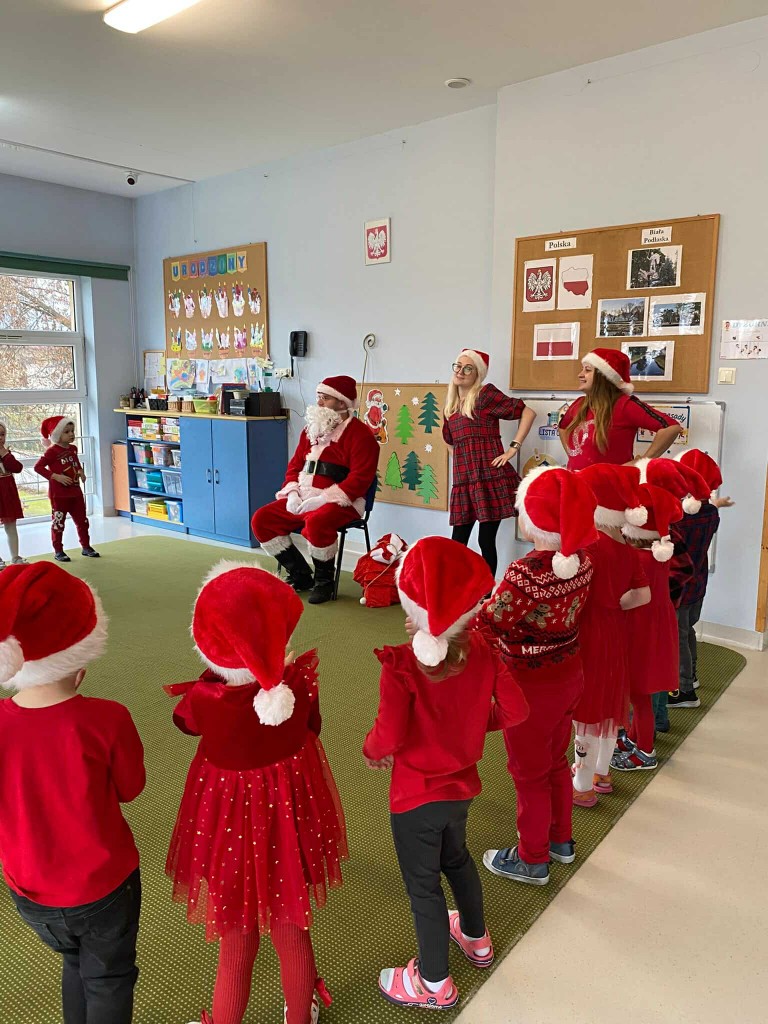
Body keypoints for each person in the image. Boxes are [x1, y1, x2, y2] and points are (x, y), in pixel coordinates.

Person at [165, 563, 347, 1024]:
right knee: (293, 932)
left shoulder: (206, 698)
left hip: (229, 831)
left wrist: (212, 681)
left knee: (236, 944)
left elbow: (184, 723)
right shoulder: (298, 682)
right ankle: (299, 1016)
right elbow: (313, 726)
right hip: (290, 820)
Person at [364, 537, 528, 1010]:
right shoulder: (484, 650)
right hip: (461, 790)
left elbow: (388, 735)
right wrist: (476, 724)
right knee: (456, 860)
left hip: (414, 797)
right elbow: (515, 711)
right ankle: (476, 938)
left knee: (423, 887)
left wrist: (372, 751)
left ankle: (434, 982)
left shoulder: (401, 665)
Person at [0, 562, 145, 1024]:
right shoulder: (108, 719)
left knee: (73, 962)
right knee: (108, 980)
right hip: (104, 887)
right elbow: (131, 789)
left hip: (29, 891)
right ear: (80, 668)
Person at [479, 467, 597, 884]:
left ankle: (532, 859)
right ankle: (560, 841)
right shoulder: (583, 562)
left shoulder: (525, 572)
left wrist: (449, 623)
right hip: (568, 675)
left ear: (531, 518)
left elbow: (491, 622)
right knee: (554, 763)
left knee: (528, 774)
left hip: (529, 687)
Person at [252, 375, 379, 604]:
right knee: (263, 519)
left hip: (343, 502)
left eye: (325, 398)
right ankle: (300, 575)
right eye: (318, 397)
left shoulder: (362, 436)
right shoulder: (309, 431)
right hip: (303, 497)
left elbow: (360, 480)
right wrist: (292, 493)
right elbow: (294, 467)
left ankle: (324, 582)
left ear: (342, 402)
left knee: (317, 522)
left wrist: (323, 499)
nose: (319, 402)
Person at [571, 464, 651, 806]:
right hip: (615, 632)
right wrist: (616, 604)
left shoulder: (589, 546)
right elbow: (643, 595)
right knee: (607, 709)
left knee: (586, 712)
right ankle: (602, 773)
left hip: (588, 634)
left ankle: (581, 784)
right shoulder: (626, 548)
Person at [443, 349, 535, 576]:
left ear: (478, 374)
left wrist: (513, 449)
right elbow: (448, 440)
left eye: (468, 368)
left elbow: (528, 412)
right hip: (465, 482)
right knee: (457, 541)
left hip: (489, 479)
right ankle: (457, 589)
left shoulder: (485, 395)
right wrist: (462, 460)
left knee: (485, 540)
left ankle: (486, 593)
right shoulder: (451, 407)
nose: (461, 371)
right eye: (458, 366)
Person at [612, 483, 684, 772]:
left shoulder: (636, 558)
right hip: (655, 627)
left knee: (639, 694)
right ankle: (634, 737)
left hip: (639, 630)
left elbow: (627, 596)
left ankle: (644, 751)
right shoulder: (658, 555)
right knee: (641, 692)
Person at [667, 450, 734, 710]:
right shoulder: (711, 513)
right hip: (698, 584)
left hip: (679, 586)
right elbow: (707, 506)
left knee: (678, 636)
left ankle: (685, 691)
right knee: (688, 630)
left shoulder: (679, 518)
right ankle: (691, 676)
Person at [558, 348, 682, 470]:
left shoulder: (625, 405)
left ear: (604, 376)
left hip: (612, 482)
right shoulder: (579, 404)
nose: (580, 375)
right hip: (576, 480)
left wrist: (644, 461)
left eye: (588, 370)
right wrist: (572, 453)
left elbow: (671, 427)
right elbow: (563, 427)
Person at [34, 416, 99, 561]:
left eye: (72, 431)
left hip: (76, 493)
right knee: (58, 523)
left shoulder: (73, 449)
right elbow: (38, 467)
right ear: (57, 434)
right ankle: (58, 550)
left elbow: (76, 463)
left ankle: (86, 546)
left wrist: (81, 471)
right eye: (66, 432)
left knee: (82, 521)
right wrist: (55, 476)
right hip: (59, 495)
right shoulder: (51, 452)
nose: (71, 434)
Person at [0, 420, 28, 567]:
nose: (0, 438)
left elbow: (17, 468)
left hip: (7, 494)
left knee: (11, 526)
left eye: (2, 434)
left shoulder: (6, 454)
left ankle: (15, 557)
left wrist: (5, 454)